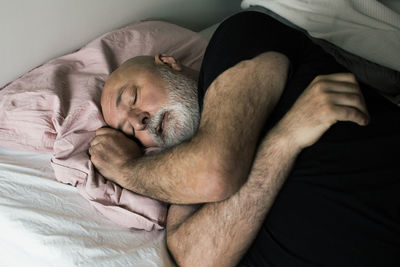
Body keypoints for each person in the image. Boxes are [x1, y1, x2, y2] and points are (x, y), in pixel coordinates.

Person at [89, 11, 400, 266]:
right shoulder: (182, 188)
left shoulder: (236, 40)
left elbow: (214, 171)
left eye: (133, 97)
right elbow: (197, 261)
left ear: (168, 63)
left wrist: (125, 169)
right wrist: (283, 141)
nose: (138, 120)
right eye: (130, 132)